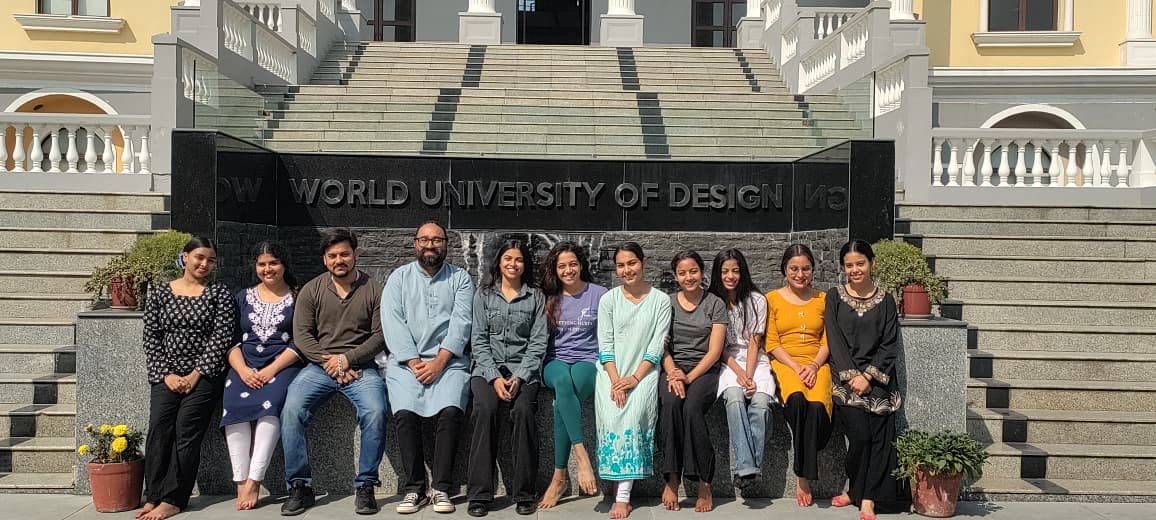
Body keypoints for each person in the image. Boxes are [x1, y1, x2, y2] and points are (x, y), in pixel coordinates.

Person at [280, 229, 387, 516]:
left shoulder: (374, 289)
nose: (339, 260)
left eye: (344, 254)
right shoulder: (311, 289)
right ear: (325, 259)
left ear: (356, 255)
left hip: (361, 368)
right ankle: (300, 486)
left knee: (376, 411)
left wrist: (347, 359)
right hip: (319, 367)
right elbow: (303, 336)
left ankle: (366, 486)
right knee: (291, 411)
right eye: (332, 256)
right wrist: (332, 363)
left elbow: (379, 336)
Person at [139, 237, 237, 520]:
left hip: (204, 375)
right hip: (166, 374)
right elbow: (151, 337)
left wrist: (195, 374)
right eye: (199, 257)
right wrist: (167, 375)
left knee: (186, 430)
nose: (204, 264)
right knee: (159, 428)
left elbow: (221, 338)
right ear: (185, 257)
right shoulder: (160, 293)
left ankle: (174, 498)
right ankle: (153, 494)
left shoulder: (219, 293)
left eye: (211, 260)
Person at [380, 221, 475, 515]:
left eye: (437, 240)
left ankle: (441, 487)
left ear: (446, 244)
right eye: (424, 240)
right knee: (405, 414)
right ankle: (414, 487)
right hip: (406, 362)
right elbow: (392, 322)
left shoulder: (460, 278)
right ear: (415, 244)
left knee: (451, 411)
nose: (430, 245)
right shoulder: (398, 278)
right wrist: (414, 362)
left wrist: (439, 362)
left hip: (449, 361)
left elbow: (462, 322)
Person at [466, 239, 549, 517]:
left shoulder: (535, 297)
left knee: (523, 411)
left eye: (519, 259)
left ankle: (525, 493)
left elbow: (538, 342)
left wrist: (520, 376)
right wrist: (494, 378)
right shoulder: (484, 295)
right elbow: (478, 341)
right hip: (486, 370)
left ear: (525, 264)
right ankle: (479, 494)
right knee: (485, 409)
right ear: (499, 262)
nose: (513, 264)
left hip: (523, 370)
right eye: (508, 259)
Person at [221, 242, 303, 511]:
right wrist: (243, 370)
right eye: (262, 264)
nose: (268, 269)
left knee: (272, 406)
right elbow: (230, 340)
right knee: (234, 404)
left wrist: (271, 370)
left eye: (273, 263)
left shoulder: (298, 296)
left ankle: (255, 479)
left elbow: (301, 341)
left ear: (284, 265)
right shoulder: (243, 297)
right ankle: (240, 479)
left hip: (283, 364)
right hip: (244, 364)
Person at [826, 240, 903, 520]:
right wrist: (853, 376)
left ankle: (867, 497)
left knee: (880, 440)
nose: (855, 269)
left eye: (860, 263)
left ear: (871, 263)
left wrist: (869, 376)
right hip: (846, 379)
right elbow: (834, 340)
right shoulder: (834, 296)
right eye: (849, 265)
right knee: (860, 438)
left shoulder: (886, 300)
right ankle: (855, 489)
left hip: (879, 379)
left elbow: (890, 343)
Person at [595, 242, 671, 520]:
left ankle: (623, 498)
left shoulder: (661, 300)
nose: (627, 270)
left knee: (633, 416)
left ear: (643, 262)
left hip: (644, 373)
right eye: (621, 265)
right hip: (610, 372)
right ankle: (619, 487)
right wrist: (616, 380)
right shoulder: (609, 300)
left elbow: (656, 344)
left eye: (632, 263)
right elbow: (605, 343)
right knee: (612, 415)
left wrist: (634, 379)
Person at [537, 242, 607, 509]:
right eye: (562, 266)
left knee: (564, 399)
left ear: (581, 265)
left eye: (573, 264)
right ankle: (582, 456)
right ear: (555, 269)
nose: (568, 270)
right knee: (563, 381)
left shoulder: (599, 294)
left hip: (588, 360)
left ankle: (559, 478)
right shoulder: (549, 297)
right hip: (554, 361)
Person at [659, 250, 727, 512]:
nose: (688, 277)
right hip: (673, 368)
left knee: (692, 408)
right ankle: (672, 478)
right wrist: (673, 373)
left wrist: (689, 377)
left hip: (704, 371)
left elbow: (715, 351)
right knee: (670, 404)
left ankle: (704, 482)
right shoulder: (667, 304)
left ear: (702, 272)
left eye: (693, 271)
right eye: (682, 273)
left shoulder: (714, 303)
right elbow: (662, 347)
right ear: (676, 276)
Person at [765, 243, 832, 508]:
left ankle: (804, 468)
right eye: (794, 268)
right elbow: (772, 342)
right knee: (797, 401)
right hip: (786, 363)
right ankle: (803, 476)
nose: (800, 274)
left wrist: (813, 366)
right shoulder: (771, 299)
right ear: (784, 269)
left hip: (817, 362)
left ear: (813, 270)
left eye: (806, 269)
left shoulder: (823, 299)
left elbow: (828, 339)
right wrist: (796, 367)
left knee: (817, 408)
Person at [706, 248, 772, 493]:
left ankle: (746, 468)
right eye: (725, 271)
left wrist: (749, 374)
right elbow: (718, 347)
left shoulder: (757, 300)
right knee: (734, 398)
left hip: (756, 360)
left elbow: (755, 341)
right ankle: (748, 469)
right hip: (727, 360)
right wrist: (740, 374)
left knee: (761, 405)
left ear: (743, 272)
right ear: (717, 273)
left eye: (735, 270)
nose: (730, 276)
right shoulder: (712, 301)